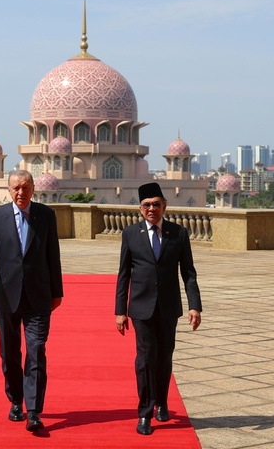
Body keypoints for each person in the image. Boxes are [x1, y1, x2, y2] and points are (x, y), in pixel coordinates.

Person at [0, 170, 63, 432]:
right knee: (10, 354)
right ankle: (15, 402)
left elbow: (52, 255)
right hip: (6, 297)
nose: (20, 193)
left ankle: (34, 410)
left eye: (25, 187)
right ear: (8, 190)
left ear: (33, 188)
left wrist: (57, 292)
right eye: (16, 188)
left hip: (38, 297)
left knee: (36, 351)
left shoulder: (46, 215)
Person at [115, 182, 202, 436]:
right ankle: (145, 413)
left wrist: (194, 306)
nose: (151, 209)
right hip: (140, 308)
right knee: (144, 360)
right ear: (140, 209)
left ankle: (162, 401)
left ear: (164, 206)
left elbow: (188, 273)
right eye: (146, 205)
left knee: (164, 358)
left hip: (168, 307)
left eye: (155, 204)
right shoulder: (131, 234)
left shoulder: (179, 233)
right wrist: (120, 310)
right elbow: (123, 275)